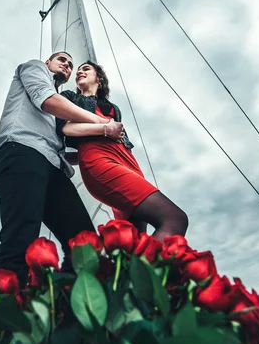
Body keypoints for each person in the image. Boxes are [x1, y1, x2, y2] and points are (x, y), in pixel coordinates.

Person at [0, 52, 123, 284]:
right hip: (21, 151)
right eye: (62, 59)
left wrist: (101, 157)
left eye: (70, 65)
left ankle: (64, 309)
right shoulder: (33, 68)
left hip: (52, 165)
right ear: (47, 63)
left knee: (84, 244)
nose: (68, 65)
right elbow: (47, 100)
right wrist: (103, 123)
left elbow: (61, 147)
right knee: (20, 241)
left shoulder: (63, 104)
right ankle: (0, 314)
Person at [56, 60, 188, 242]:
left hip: (129, 162)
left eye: (85, 69)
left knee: (135, 239)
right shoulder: (70, 97)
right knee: (174, 219)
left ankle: (132, 269)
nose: (79, 72)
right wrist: (105, 128)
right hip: (99, 160)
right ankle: (147, 270)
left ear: (99, 80)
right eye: (78, 70)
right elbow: (66, 129)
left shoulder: (113, 108)